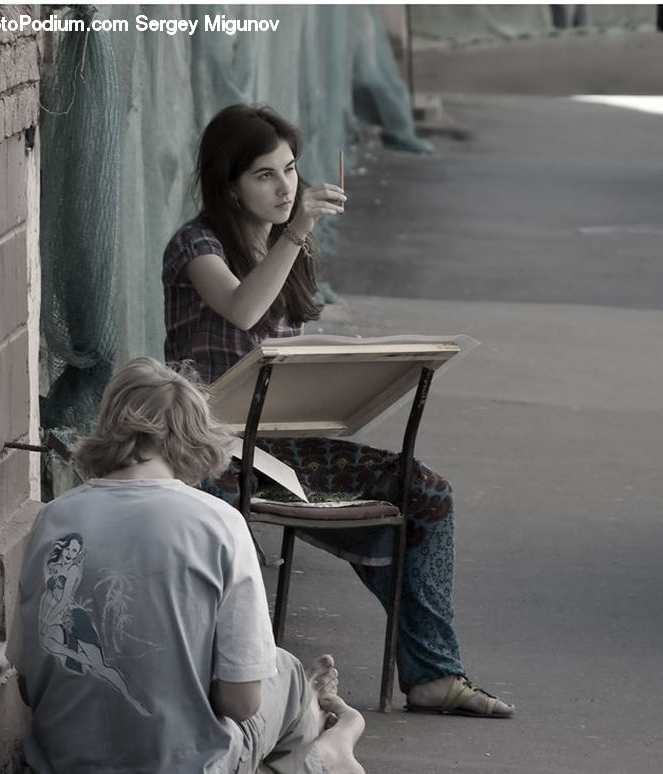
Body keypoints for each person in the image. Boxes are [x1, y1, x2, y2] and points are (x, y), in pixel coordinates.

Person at [162, 104, 514, 719]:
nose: (285, 187)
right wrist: (296, 234)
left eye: (290, 170)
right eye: (264, 176)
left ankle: (433, 674)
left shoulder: (285, 248)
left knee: (425, 492)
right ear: (229, 186)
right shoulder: (197, 244)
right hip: (208, 449)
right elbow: (243, 310)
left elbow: (289, 359)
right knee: (221, 521)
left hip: (280, 448)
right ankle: (239, 691)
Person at [7, 357, 366, 774]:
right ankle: (324, 749)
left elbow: (28, 684)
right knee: (284, 669)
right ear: (192, 437)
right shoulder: (217, 524)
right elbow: (239, 704)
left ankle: (303, 730)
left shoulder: (53, 518)